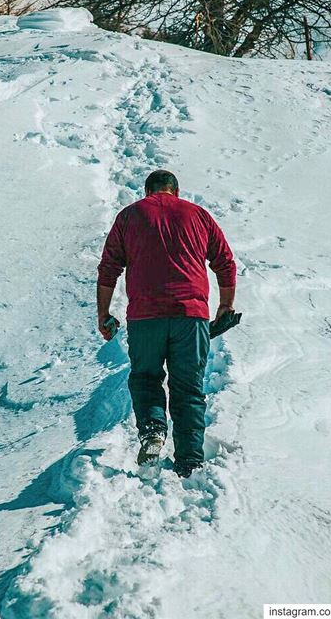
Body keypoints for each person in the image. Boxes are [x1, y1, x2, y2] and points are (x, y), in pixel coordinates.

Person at [97, 170, 237, 478]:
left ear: (148, 192)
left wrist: (103, 314)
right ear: (176, 190)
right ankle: (189, 462)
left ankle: (153, 429)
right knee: (188, 388)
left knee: (146, 378)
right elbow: (225, 262)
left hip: (146, 317)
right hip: (192, 316)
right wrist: (225, 305)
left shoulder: (129, 217)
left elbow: (109, 269)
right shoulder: (199, 215)